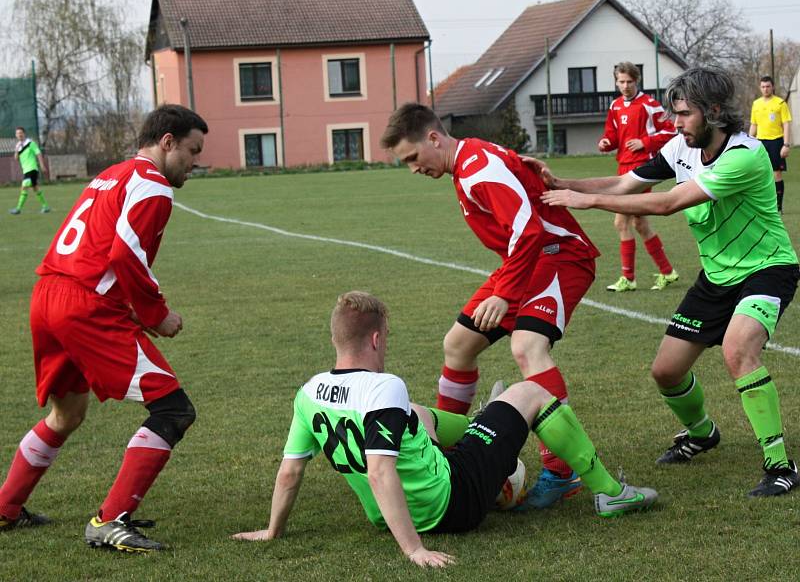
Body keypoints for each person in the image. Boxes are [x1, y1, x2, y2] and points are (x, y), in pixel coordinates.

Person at [233, 291, 657, 568]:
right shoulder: (384, 387)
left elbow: (290, 473)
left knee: (416, 412)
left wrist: (273, 531)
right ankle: (609, 492)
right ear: (377, 340)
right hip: (453, 503)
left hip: (386, 516)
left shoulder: (309, 392)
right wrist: (414, 549)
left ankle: (488, 429)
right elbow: (380, 472)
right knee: (531, 392)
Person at [539, 67, 799, 497]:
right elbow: (626, 182)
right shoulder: (680, 147)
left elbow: (669, 202)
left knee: (738, 350)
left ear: (714, 112)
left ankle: (780, 463)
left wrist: (588, 202)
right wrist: (562, 183)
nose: (675, 124)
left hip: (766, 268)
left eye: (684, 114)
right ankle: (702, 433)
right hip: (716, 276)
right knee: (666, 371)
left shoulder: (745, 155)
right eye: (674, 114)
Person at [0, 104, 208, 551]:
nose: (196, 162)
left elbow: (95, 251)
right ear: (167, 142)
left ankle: (5, 508)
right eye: (192, 151)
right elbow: (124, 256)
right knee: (174, 410)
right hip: (82, 306)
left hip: (48, 294)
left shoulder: (110, 175)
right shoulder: (153, 186)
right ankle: (109, 521)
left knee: (67, 414)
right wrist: (155, 314)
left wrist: (128, 308)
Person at [379, 103, 601, 509]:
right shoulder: (469, 161)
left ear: (434, 138)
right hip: (524, 260)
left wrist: (504, 294)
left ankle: (562, 472)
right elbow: (515, 169)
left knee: (528, 347)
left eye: (412, 158)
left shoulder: (478, 168)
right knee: (458, 345)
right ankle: (446, 451)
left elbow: (530, 231)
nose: (413, 168)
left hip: (558, 255)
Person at [599, 62, 679, 292]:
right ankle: (667, 272)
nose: (625, 86)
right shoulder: (615, 106)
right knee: (641, 223)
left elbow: (670, 131)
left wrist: (645, 142)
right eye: (621, 81)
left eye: (629, 82)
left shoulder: (649, 105)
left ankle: (628, 278)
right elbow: (613, 135)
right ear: (616, 82)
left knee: (620, 221)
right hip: (623, 166)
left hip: (641, 168)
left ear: (637, 81)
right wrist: (606, 143)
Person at [749, 75, 792, 213]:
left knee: (776, 174)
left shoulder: (780, 103)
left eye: (768, 86)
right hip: (760, 142)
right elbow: (753, 125)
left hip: (776, 142)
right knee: (760, 175)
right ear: (760, 88)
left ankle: (778, 207)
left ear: (772, 87)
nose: (765, 89)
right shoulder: (756, 104)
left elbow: (786, 124)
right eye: (763, 87)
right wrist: (749, 142)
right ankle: (764, 206)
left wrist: (786, 144)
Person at [9, 126, 50, 215]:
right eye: (17, 133)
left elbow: (38, 153)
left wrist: (42, 165)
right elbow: (16, 158)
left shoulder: (30, 143)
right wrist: (16, 150)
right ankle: (45, 206)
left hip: (32, 169)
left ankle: (18, 208)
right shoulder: (18, 146)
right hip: (26, 170)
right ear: (16, 135)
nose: (19, 134)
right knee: (35, 188)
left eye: (21, 133)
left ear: (24, 134)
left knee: (24, 187)